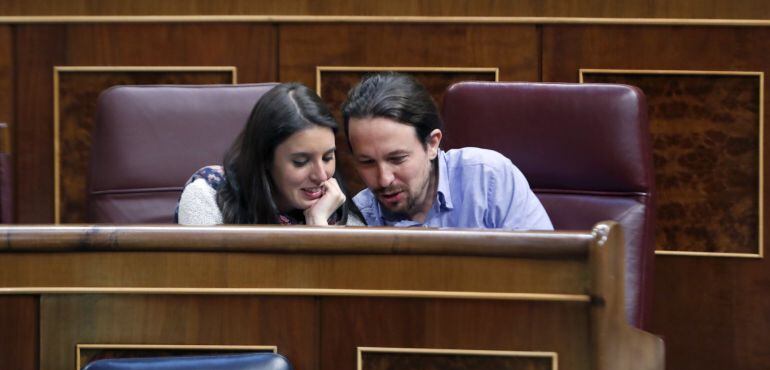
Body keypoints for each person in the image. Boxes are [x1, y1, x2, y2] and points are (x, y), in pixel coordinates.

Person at [341, 72, 552, 230]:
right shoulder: (360, 218)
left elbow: (545, 269)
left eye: (397, 159)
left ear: (432, 144)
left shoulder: (489, 179)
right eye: (367, 162)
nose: (384, 179)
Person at [177, 82, 363, 226]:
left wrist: (318, 224)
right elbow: (205, 273)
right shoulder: (208, 196)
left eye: (327, 158)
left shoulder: (337, 207)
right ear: (265, 158)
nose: (321, 175)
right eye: (301, 161)